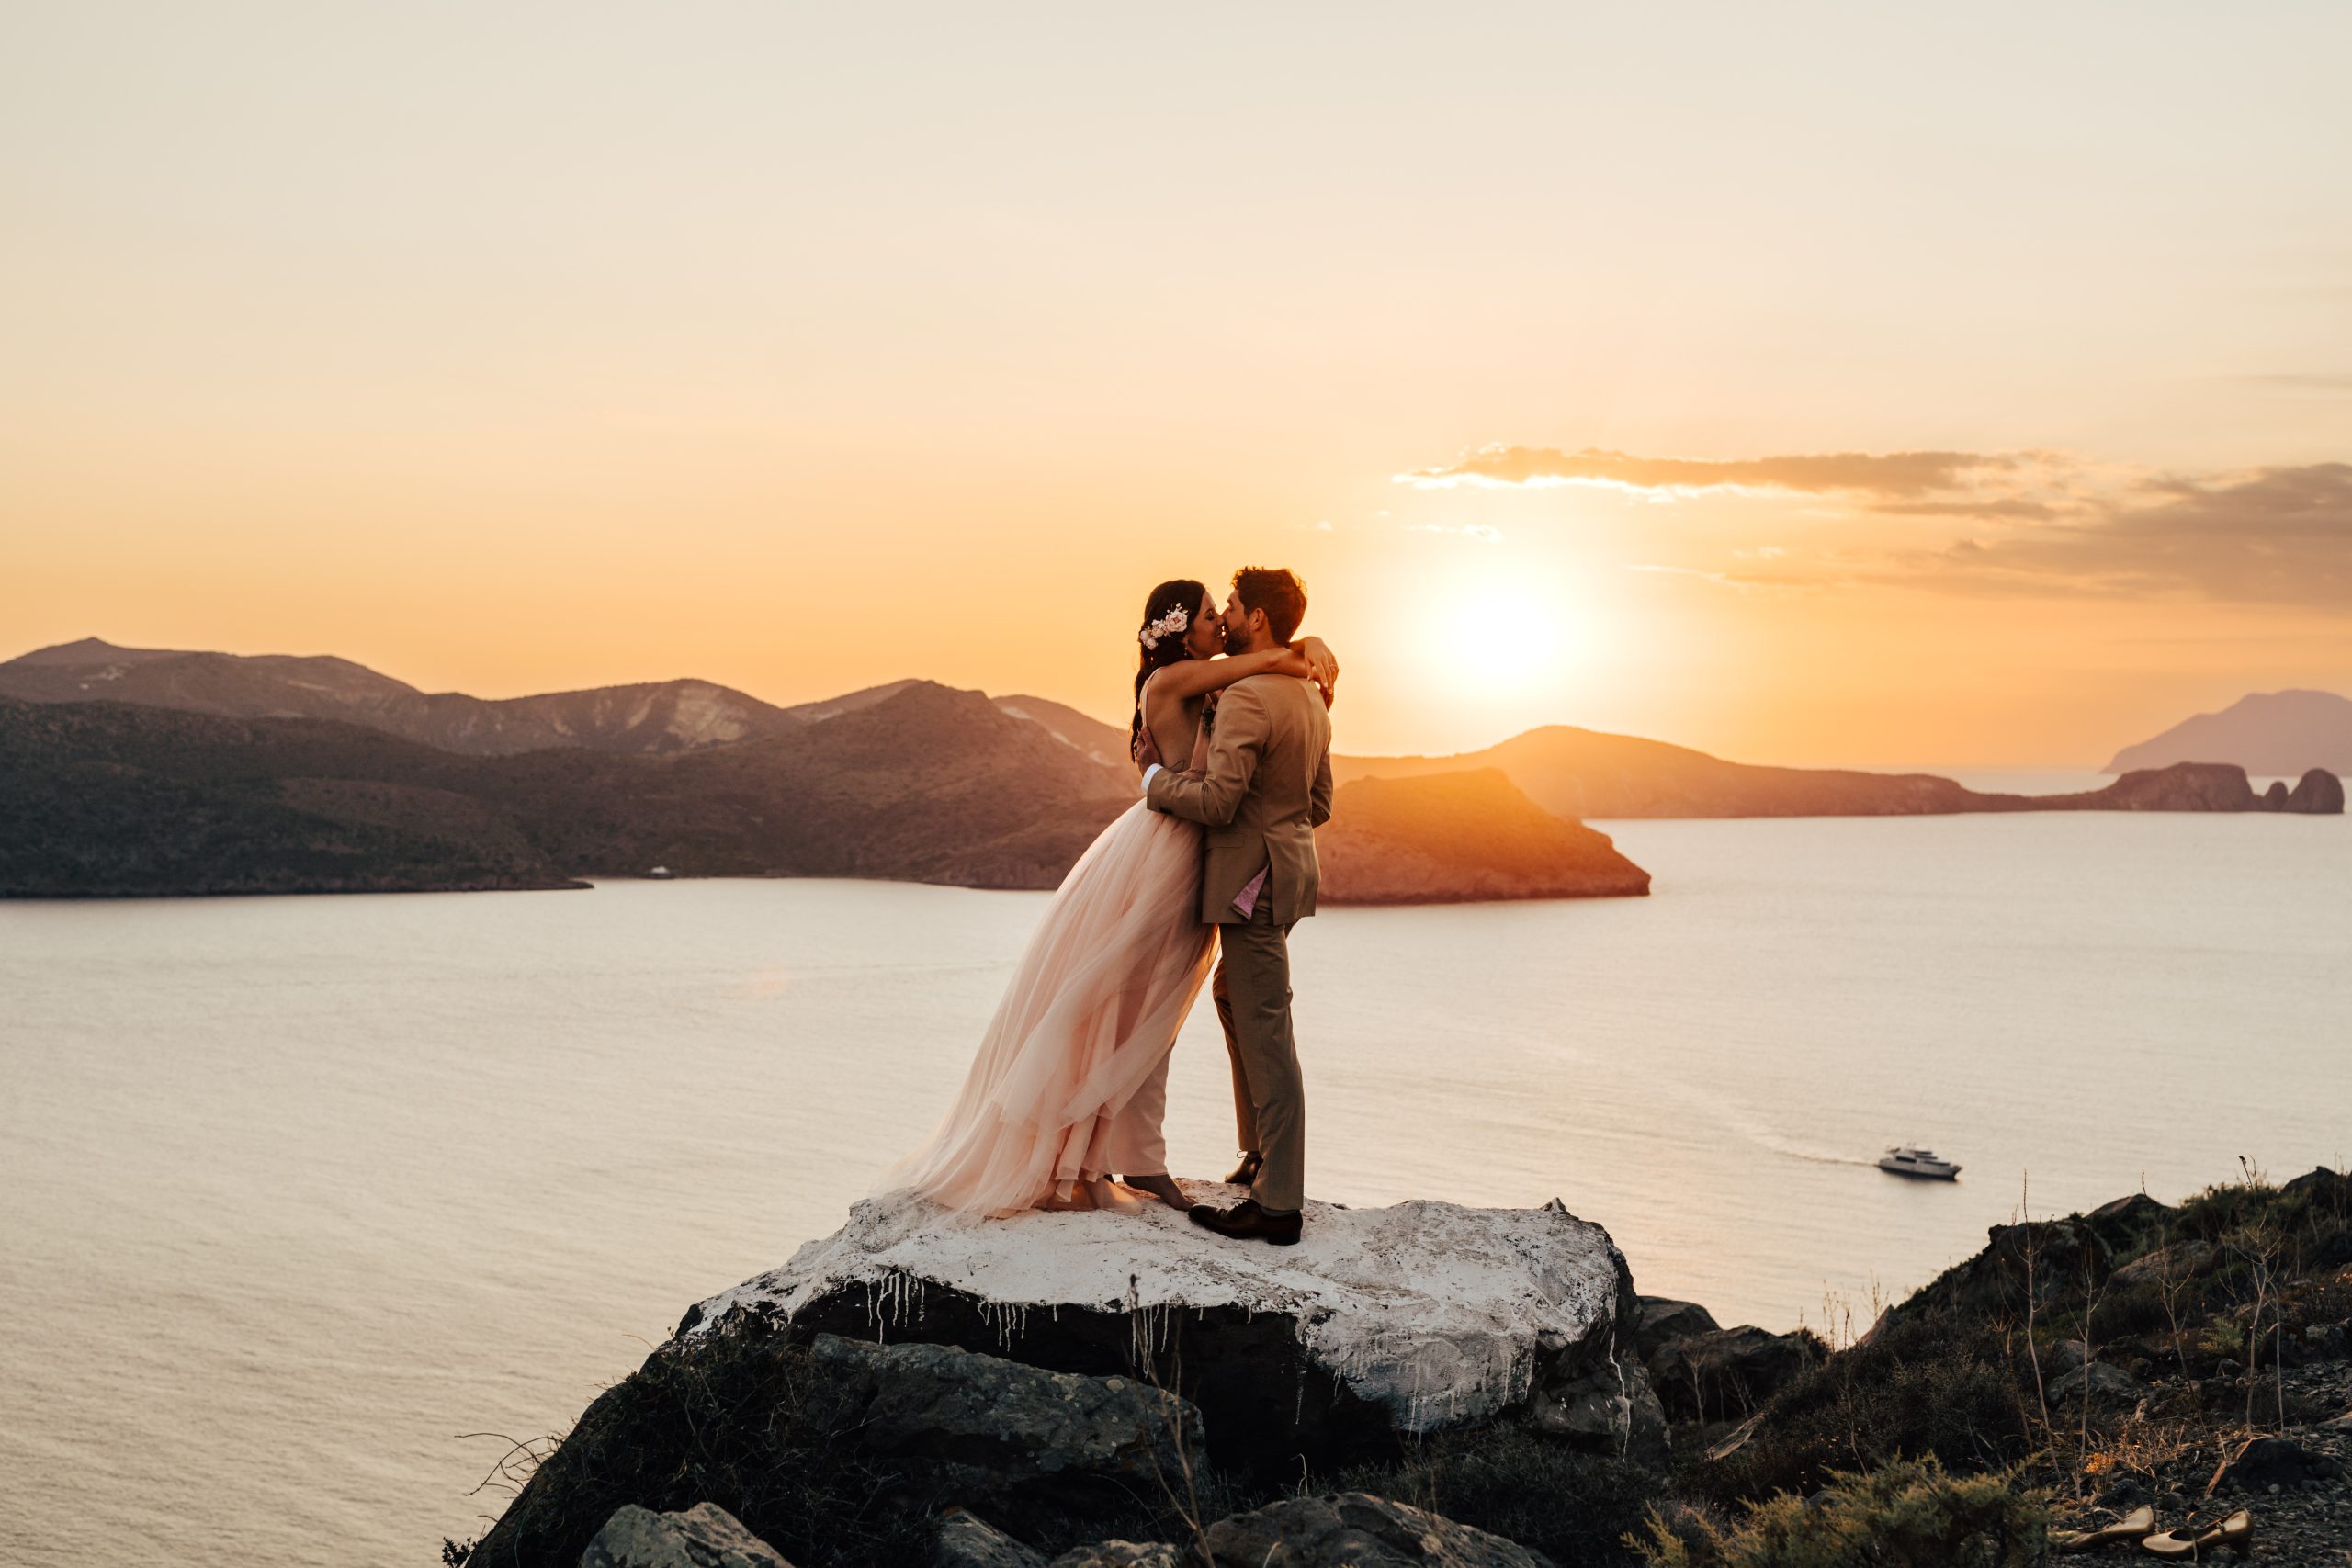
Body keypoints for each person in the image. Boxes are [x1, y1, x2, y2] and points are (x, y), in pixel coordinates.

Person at [879, 577, 1337, 1217]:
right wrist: (1302, 647)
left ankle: (1139, 1154)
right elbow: (1268, 672)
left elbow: (1261, 679)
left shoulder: (1221, 683)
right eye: (1211, 614)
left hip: (1199, 850)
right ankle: (1098, 1154)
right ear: (1181, 629)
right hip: (1169, 849)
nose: (1221, 622)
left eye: (1225, 612)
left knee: (1154, 1007)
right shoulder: (1176, 681)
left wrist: (1303, 644)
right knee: (1123, 1002)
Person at [1142, 566, 1332, 1247]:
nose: (1223, 617)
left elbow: (1219, 802)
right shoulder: (1309, 697)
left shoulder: (1248, 697)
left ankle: (1277, 1203)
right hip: (1286, 873)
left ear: (1257, 618)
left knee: (1266, 1029)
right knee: (1234, 997)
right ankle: (1258, 1155)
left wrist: (1158, 784)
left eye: (1231, 607)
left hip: (1250, 882)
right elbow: (1319, 804)